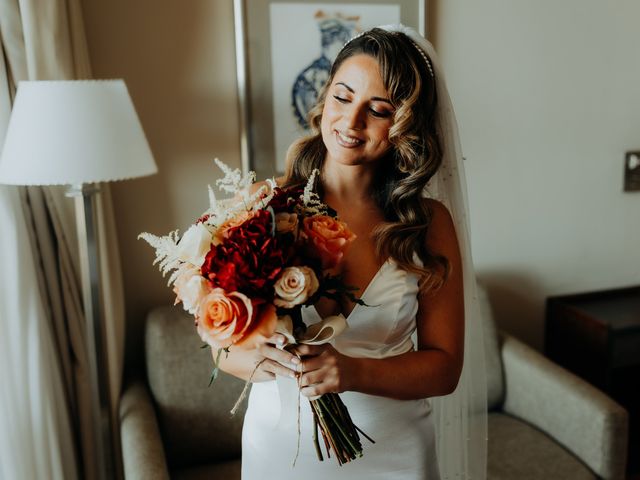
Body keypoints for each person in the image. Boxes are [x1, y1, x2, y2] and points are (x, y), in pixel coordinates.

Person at [219, 24, 487, 480]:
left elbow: (444, 368)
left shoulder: (427, 223)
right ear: (325, 100)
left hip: (395, 452)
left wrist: (353, 373)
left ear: (404, 126)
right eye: (343, 97)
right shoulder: (263, 205)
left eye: (378, 109)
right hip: (280, 451)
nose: (352, 121)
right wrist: (265, 359)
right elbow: (222, 352)